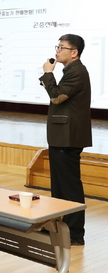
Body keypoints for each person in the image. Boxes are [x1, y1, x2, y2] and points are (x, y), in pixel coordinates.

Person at [40, 34, 91, 246]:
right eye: (57, 46)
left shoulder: (77, 71)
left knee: (69, 186)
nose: (57, 51)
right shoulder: (70, 70)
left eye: (62, 47)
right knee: (59, 185)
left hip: (68, 137)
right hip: (61, 135)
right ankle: (59, 227)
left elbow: (57, 97)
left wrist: (47, 74)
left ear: (74, 52)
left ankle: (75, 233)